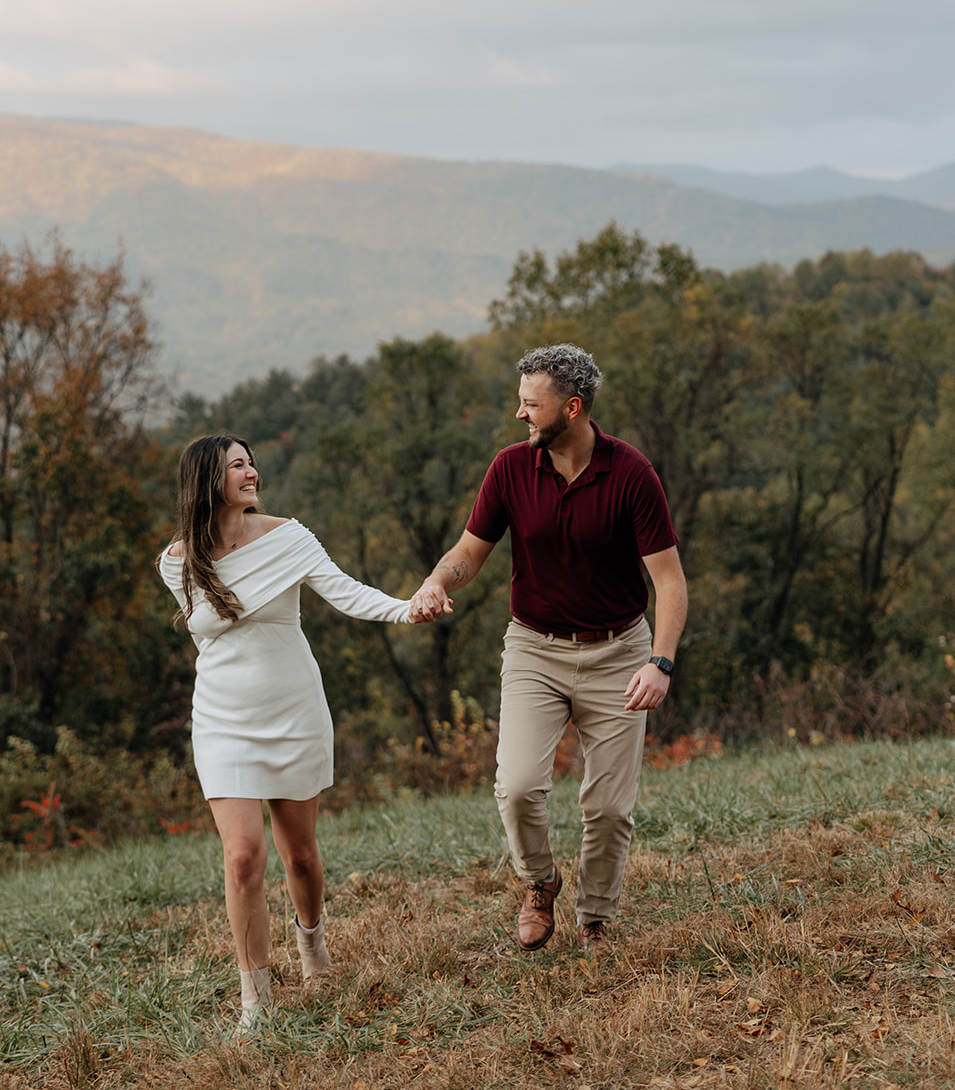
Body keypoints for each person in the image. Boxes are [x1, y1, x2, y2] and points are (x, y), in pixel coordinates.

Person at [410, 343, 687, 955]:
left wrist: (659, 663)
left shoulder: (632, 473)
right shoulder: (510, 468)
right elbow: (468, 554)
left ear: (573, 407)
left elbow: (669, 582)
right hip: (535, 649)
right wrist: (435, 580)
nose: (520, 415)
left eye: (531, 405)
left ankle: (596, 918)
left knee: (609, 808)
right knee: (516, 786)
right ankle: (540, 883)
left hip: (619, 652)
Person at [159, 432, 419, 1033]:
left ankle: (312, 945)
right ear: (206, 482)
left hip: (294, 711)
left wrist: (409, 607)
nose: (251, 473)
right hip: (222, 720)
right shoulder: (177, 563)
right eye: (237, 467)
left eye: (252, 463)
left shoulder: (289, 537)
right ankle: (256, 1000)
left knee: (299, 854)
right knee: (244, 857)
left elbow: (347, 594)